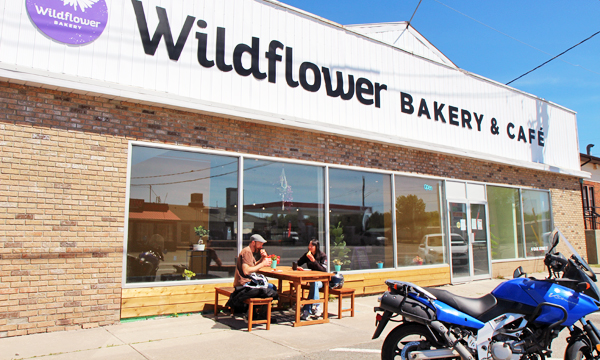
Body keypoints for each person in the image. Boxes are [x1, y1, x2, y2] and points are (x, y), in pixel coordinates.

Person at [296, 238, 327, 320]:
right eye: (309, 245)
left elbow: (324, 270)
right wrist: (298, 267)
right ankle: (316, 308)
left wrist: (314, 261)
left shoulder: (322, 255)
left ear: (316, 247)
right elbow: (297, 262)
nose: (309, 247)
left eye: (312, 246)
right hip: (311, 279)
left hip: (321, 280)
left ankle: (308, 309)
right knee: (313, 284)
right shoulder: (307, 255)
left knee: (315, 284)